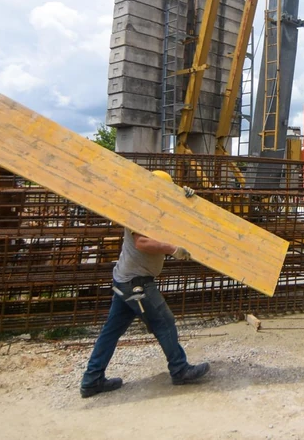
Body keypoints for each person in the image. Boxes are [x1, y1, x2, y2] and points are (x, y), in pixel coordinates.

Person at [80, 170, 210, 398]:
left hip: (125, 280)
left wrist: (188, 201)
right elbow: (141, 242)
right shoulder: (138, 209)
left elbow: (181, 222)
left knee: (111, 331)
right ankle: (180, 370)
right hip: (135, 282)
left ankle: (92, 379)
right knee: (164, 321)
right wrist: (172, 249)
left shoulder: (156, 210)